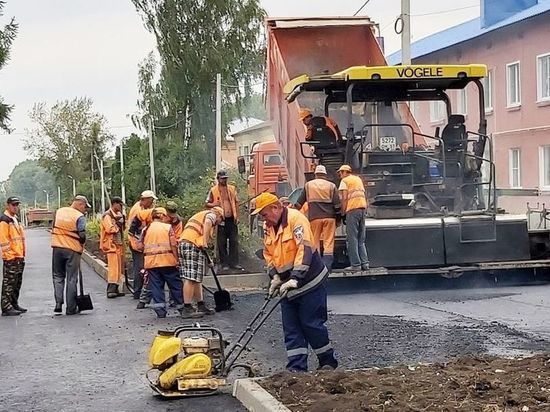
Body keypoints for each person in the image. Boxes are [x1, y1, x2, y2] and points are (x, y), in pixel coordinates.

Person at [251, 193, 337, 372]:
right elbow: (269, 253)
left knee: (311, 323)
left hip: (310, 282)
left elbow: (304, 250)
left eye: (264, 214)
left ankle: (327, 362)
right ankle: (296, 369)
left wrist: (295, 278)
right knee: (291, 329)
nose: (263, 219)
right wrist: (275, 276)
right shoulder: (269, 227)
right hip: (288, 286)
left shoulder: (296, 220)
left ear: (275, 208)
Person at [178, 206, 224, 318]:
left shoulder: (200, 217)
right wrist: (204, 240)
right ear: (218, 215)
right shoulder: (211, 215)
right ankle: (187, 308)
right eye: (220, 220)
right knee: (191, 278)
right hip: (191, 245)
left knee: (197, 278)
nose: (218, 223)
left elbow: (201, 244)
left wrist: (209, 259)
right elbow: (208, 222)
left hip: (186, 245)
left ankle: (200, 304)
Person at [295, 165, 340, 271]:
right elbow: (337, 205)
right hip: (330, 218)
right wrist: (339, 218)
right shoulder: (331, 186)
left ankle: (317, 267)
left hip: (314, 218)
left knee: (314, 242)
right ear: (325, 175)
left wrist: (291, 212)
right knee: (328, 242)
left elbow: (299, 203)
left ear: (315, 174)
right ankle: (327, 267)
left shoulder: (308, 185)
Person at [51, 195, 89, 315]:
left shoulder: (59, 212)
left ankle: (58, 303)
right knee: (71, 279)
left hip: (57, 248)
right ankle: (71, 308)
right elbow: (82, 234)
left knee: (58, 276)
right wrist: (82, 243)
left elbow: (53, 227)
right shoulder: (79, 216)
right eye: (85, 207)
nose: (85, 210)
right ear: (80, 204)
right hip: (72, 250)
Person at [142, 207, 183, 318]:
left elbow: (142, 245)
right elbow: (173, 245)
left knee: (156, 287)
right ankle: (182, 308)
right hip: (168, 261)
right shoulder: (167, 228)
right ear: (161, 216)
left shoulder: (146, 229)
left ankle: (160, 310)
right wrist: (177, 259)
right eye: (165, 216)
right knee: (175, 285)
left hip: (151, 263)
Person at [205, 170, 243, 271]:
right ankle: (224, 263)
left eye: (226, 178)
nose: (224, 180)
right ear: (218, 179)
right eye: (222, 178)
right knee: (221, 243)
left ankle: (234, 263)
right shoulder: (213, 190)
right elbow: (206, 203)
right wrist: (214, 205)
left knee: (234, 241)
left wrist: (237, 217)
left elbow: (236, 203)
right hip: (220, 220)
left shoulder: (232, 189)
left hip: (232, 220)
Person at [337, 165, 368, 271]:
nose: (340, 175)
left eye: (341, 173)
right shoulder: (358, 179)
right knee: (361, 239)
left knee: (352, 239)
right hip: (362, 209)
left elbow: (344, 198)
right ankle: (365, 263)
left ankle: (355, 265)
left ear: (345, 172)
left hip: (352, 210)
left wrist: (342, 213)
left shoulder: (345, 181)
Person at [127, 190, 157, 299]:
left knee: (140, 267)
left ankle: (139, 291)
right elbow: (141, 228)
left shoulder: (141, 208)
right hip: (137, 243)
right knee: (140, 268)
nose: (152, 202)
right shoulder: (138, 210)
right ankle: (138, 292)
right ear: (145, 199)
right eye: (151, 200)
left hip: (137, 241)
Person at [0, 197, 26, 316]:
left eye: (17, 205)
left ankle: (14, 303)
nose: (16, 207)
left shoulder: (15, 219)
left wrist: (21, 255)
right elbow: (4, 240)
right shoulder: (4, 220)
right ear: (8, 205)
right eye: (13, 205)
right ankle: (6, 306)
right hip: (11, 258)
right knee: (9, 283)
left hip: (19, 256)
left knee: (16, 282)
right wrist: (10, 256)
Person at [100, 196, 125, 298]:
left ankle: (116, 288)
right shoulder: (107, 216)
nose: (121, 207)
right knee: (113, 268)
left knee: (118, 268)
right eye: (120, 205)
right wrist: (118, 224)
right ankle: (111, 289)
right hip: (111, 245)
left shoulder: (118, 215)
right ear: (114, 204)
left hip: (117, 245)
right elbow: (109, 229)